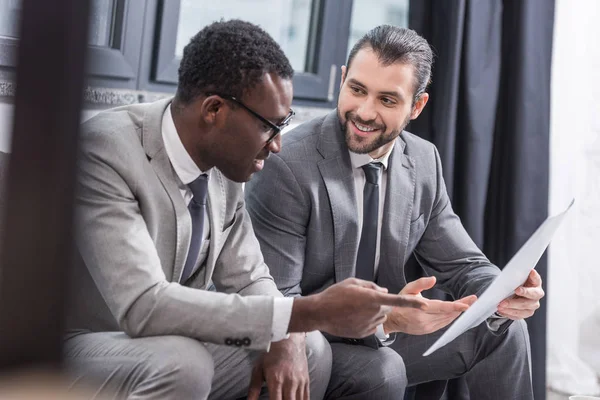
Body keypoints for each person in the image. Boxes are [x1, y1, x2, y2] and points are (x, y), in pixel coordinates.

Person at [64, 20, 424, 400]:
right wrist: (304, 312)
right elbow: (143, 306)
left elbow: (250, 278)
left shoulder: (225, 165)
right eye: (271, 126)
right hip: (78, 347)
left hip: (167, 343)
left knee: (310, 349)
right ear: (214, 110)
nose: (278, 145)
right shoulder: (105, 151)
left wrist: (288, 332)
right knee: (185, 362)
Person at [245, 25, 545, 399]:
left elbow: (464, 265)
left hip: (389, 332)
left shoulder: (422, 160)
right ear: (342, 80)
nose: (364, 112)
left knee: (502, 329)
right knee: (384, 370)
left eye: (388, 100)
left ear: (417, 106)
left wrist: (503, 293)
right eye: (356, 89)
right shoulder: (287, 165)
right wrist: (385, 321)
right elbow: (281, 305)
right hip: (314, 343)